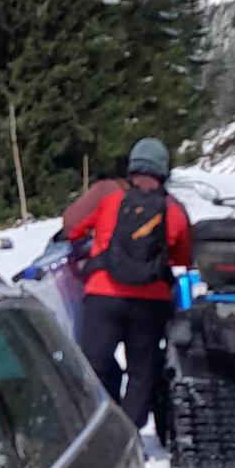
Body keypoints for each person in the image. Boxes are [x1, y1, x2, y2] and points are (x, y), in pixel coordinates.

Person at [62, 137, 191, 440]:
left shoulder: (110, 197)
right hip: (150, 302)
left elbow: (71, 226)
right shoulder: (173, 210)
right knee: (141, 371)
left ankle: (102, 423)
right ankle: (129, 434)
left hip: (104, 295)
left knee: (95, 363)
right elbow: (183, 257)